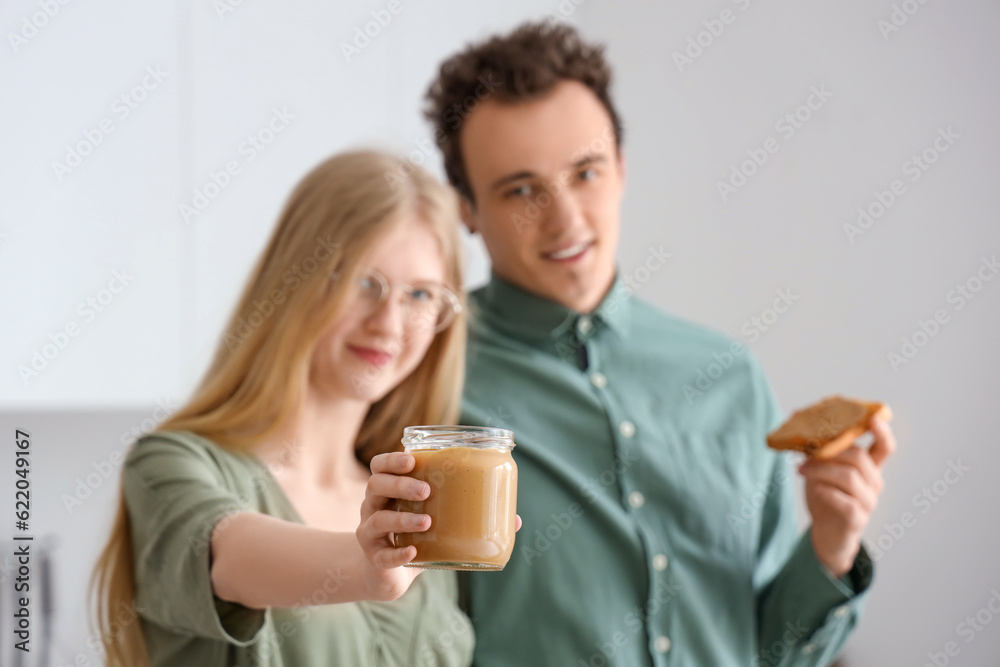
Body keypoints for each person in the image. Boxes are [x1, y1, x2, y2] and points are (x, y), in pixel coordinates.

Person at [423, 21, 897, 666]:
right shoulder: (426, 380)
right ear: (467, 208)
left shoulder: (728, 376)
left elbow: (773, 654)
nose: (567, 220)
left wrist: (830, 549)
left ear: (620, 169)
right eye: (522, 190)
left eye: (585, 173)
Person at [89, 150, 479, 666]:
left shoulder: (412, 503)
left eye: (421, 295)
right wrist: (363, 567)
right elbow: (232, 556)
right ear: (296, 280)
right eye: (365, 282)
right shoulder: (171, 464)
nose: (389, 321)